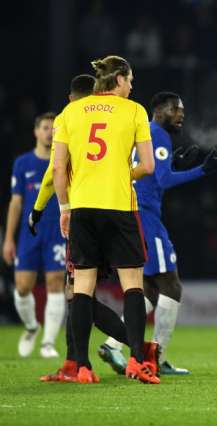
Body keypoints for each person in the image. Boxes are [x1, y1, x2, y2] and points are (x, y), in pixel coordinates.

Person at [99, 91, 217, 376]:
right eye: (176, 109)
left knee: (149, 289)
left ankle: (113, 344)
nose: (181, 114)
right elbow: (160, 179)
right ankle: (155, 356)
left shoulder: (143, 132)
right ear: (159, 111)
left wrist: (175, 163)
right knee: (171, 286)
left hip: (130, 214)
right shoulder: (157, 134)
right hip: (147, 218)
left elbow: (155, 173)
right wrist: (202, 170)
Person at [52, 55, 158, 384]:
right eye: (130, 80)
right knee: (132, 284)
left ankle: (81, 366)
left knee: (82, 286)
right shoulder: (135, 110)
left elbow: (57, 169)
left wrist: (64, 207)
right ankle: (138, 362)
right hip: (119, 206)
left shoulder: (69, 112)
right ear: (119, 80)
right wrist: (124, 174)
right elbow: (149, 166)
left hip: (82, 206)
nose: (132, 85)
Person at [30, 74, 133, 383]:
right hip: (113, 210)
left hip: (81, 216)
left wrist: (37, 209)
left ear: (72, 98)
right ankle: (75, 360)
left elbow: (53, 172)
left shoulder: (69, 118)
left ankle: (132, 348)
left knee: (78, 292)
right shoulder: (116, 118)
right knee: (76, 291)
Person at [3, 112, 66, 358]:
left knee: (54, 283)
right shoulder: (23, 163)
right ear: (36, 132)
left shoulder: (63, 160)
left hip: (56, 230)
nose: (50, 131)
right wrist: (9, 238)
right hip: (30, 233)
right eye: (45, 127)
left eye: (53, 128)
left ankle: (48, 343)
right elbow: (16, 203)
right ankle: (31, 327)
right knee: (22, 287)